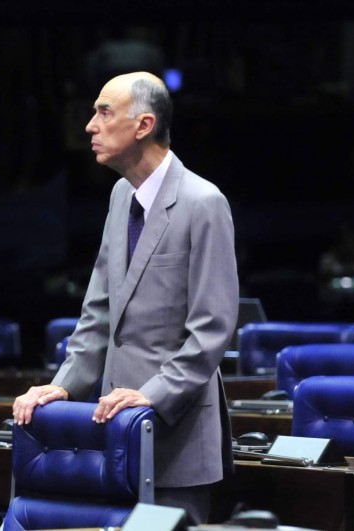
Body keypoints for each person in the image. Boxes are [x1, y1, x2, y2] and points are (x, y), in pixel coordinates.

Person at [12, 72, 239, 524]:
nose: (90, 126)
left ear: (144, 125)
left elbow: (212, 328)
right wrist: (65, 384)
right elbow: (98, 312)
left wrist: (151, 395)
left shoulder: (203, 201)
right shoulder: (121, 195)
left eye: (104, 112)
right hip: (111, 430)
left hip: (175, 431)